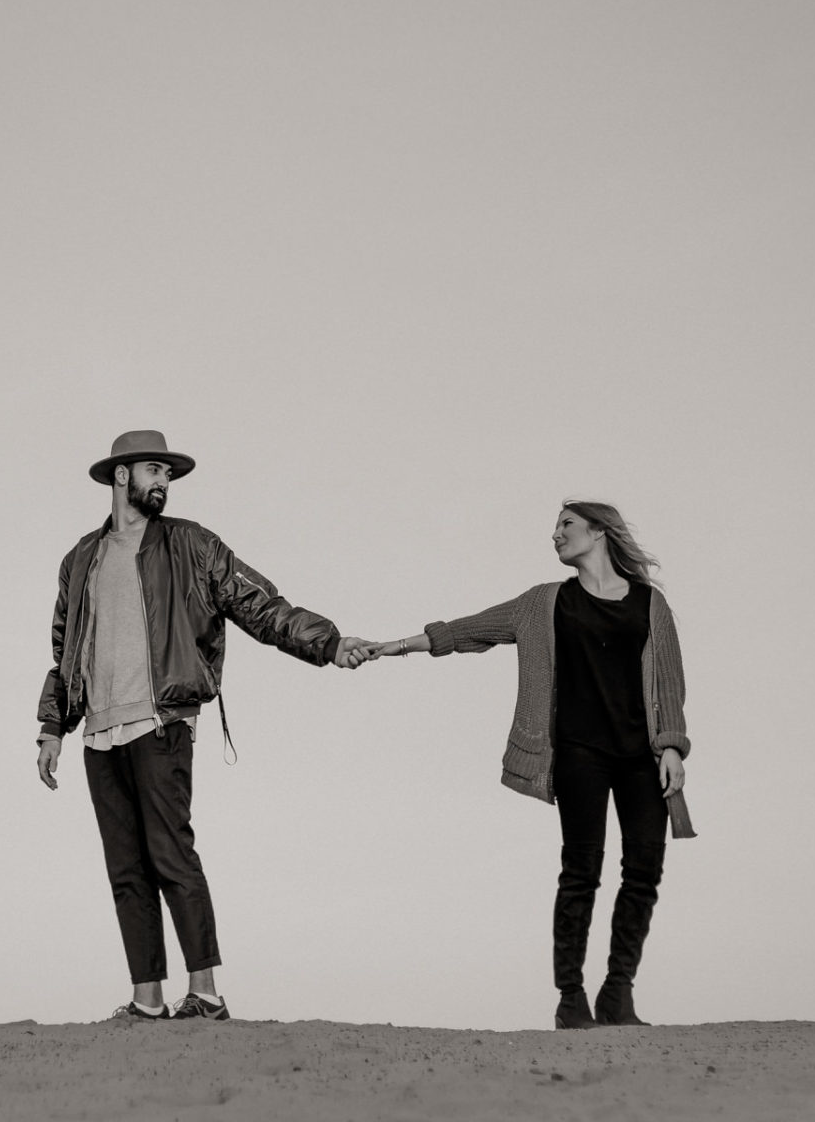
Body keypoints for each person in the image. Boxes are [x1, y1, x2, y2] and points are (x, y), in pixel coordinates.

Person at [35, 430, 372, 1022]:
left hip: (161, 723)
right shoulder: (80, 559)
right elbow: (66, 649)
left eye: (168, 472)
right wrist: (52, 727)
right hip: (98, 736)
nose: (164, 481)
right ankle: (147, 1001)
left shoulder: (191, 545)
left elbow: (260, 605)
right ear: (122, 477)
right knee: (125, 872)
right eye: (154, 470)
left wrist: (330, 643)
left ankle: (206, 994)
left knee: (171, 857)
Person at [366, 497, 693, 1028]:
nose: (556, 535)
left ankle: (618, 994)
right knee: (581, 872)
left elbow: (671, 683)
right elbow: (470, 630)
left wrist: (673, 747)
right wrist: (393, 646)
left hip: (641, 756)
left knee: (644, 872)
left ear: (599, 532)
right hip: (578, 755)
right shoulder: (545, 602)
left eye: (566, 525)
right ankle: (571, 999)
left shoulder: (649, 605)